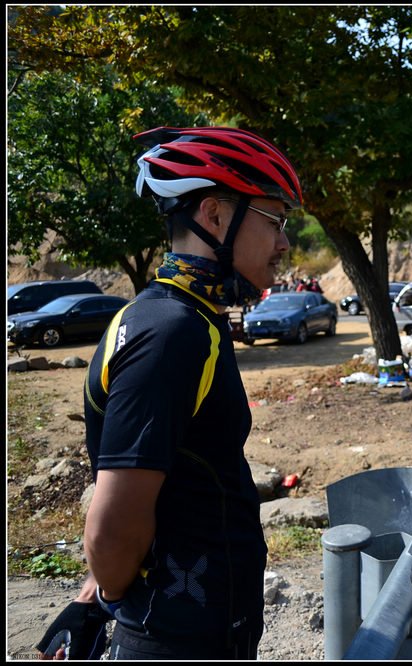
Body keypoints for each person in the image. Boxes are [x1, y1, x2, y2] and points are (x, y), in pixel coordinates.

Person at [36, 126, 303, 660]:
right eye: (274, 220)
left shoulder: (185, 317)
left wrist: (92, 598)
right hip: (176, 639)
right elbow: (113, 526)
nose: (284, 243)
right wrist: (106, 598)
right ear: (215, 215)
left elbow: (152, 486)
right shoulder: (171, 333)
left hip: (201, 628)